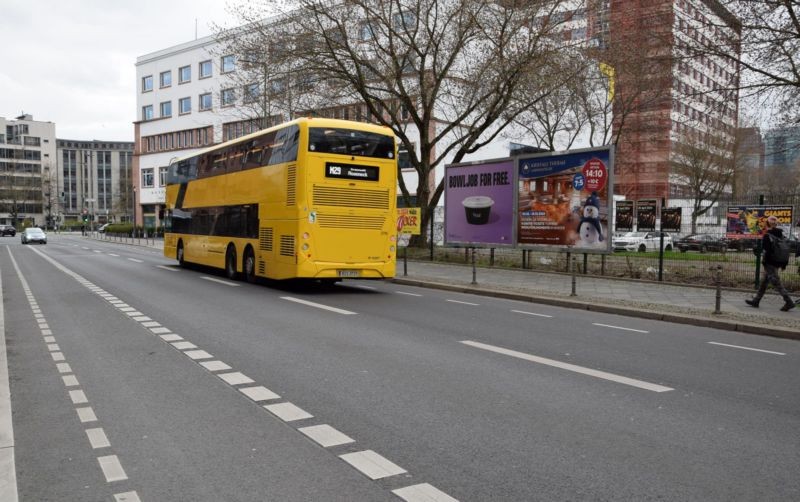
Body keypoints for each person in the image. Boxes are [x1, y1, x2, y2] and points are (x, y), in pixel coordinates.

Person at [745, 215, 795, 311]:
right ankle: (756, 300)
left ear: (767, 224)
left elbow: (766, 250)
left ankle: (789, 301)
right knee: (764, 282)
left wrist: (757, 249)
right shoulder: (781, 235)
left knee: (776, 283)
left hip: (770, 263)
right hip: (778, 261)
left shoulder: (768, 235)